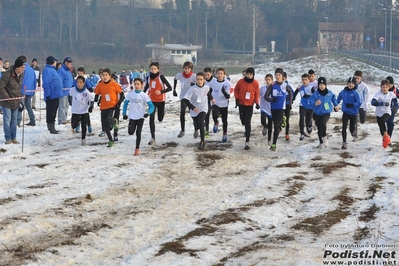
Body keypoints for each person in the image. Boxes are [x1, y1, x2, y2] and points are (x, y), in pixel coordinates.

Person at [181, 72, 215, 150]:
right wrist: (193, 108)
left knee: (201, 122)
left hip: (203, 108)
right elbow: (186, 100)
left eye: (201, 79)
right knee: (197, 125)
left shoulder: (207, 87)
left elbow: (208, 93)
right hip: (194, 109)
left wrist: (212, 99)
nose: (199, 81)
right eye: (198, 79)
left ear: (204, 80)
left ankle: (202, 142)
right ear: (195, 80)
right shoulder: (192, 89)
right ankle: (197, 128)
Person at [122, 78, 154, 156]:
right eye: (135, 84)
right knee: (130, 132)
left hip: (140, 117)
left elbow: (152, 106)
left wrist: (148, 113)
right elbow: (125, 104)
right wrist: (124, 114)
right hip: (132, 116)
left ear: (142, 85)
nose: (136, 86)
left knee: (138, 133)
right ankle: (136, 147)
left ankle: (137, 149)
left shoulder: (144, 95)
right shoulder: (130, 94)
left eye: (138, 84)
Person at [143, 62, 172, 145]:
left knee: (160, 119)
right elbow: (147, 86)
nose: (153, 70)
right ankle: (153, 138)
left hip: (161, 101)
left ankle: (162, 113)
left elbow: (170, 88)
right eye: (151, 69)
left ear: (158, 69)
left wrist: (161, 91)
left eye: (155, 69)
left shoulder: (161, 77)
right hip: (151, 100)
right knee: (151, 118)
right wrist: (143, 93)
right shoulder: (148, 77)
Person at [94, 68, 124, 147]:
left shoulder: (114, 84)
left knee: (108, 120)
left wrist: (118, 103)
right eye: (103, 75)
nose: (104, 77)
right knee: (105, 125)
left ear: (109, 76)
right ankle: (111, 140)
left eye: (106, 75)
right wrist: (96, 97)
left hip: (112, 106)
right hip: (103, 106)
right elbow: (97, 93)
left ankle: (114, 122)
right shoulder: (100, 84)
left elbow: (122, 94)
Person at [308, 77, 339, 150]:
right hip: (318, 113)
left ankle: (324, 137)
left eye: (323, 84)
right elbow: (310, 101)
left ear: (326, 85)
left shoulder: (329, 93)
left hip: (326, 112)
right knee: (319, 129)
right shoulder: (315, 94)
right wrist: (315, 103)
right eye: (320, 84)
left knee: (323, 123)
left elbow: (334, 98)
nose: (322, 86)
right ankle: (321, 142)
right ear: (318, 85)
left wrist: (336, 105)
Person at [264, 68, 290, 151]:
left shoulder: (285, 85)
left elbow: (290, 93)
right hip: (273, 108)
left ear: (282, 76)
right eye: (276, 75)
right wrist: (271, 100)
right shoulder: (272, 85)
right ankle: (283, 120)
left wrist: (290, 103)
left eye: (279, 75)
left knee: (275, 126)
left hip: (281, 108)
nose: (278, 76)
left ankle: (274, 144)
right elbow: (265, 96)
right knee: (276, 125)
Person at [234, 67, 260, 150]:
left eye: (251, 74)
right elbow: (236, 90)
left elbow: (256, 93)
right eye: (248, 74)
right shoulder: (241, 82)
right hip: (241, 103)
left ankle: (247, 142)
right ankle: (245, 126)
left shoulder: (255, 83)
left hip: (250, 105)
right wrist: (237, 99)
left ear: (253, 75)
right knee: (243, 120)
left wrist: (257, 102)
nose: (249, 76)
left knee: (247, 121)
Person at [0, 58, 25, 144]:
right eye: (22, 67)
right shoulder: (7, 74)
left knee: (14, 120)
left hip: (16, 102)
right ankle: (8, 138)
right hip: (6, 102)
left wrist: (20, 98)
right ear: (17, 67)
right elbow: (1, 87)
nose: (23, 69)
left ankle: (13, 137)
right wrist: (7, 98)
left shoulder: (21, 75)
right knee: (7, 120)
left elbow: (19, 88)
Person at [173, 61, 197, 138]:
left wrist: (194, 86)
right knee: (182, 112)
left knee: (193, 114)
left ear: (191, 69)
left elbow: (200, 84)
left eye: (188, 69)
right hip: (183, 97)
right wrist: (174, 90)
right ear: (183, 68)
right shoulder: (179, 75)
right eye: (185, 68)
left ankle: (196, 129)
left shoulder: (194, 76)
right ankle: (182, 130)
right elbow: (175, 79)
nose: (187, 70)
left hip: (191, 97)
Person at [371, 79, 397, 148]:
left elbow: (395, 100)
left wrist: (395, 106)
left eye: (386, 87)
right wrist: (381, 103)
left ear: (389, 87)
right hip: (379, 113)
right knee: (381, 126)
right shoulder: (378, 94)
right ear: (381, 87)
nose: (385, 89)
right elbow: (373, 102)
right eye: (383, 87)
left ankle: (386, 137)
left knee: (383, 121)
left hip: (387, 112)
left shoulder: (391, 94)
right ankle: (385, 139)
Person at [336, 77, 361, 149]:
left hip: (354, 113)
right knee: (344, 127)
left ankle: (354, 133)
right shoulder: (343, 92)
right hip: (346, 112)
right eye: (349, 83)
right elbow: (338, 98)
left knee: (351, 129)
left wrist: (353, 105)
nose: (350, 84)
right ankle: (344, 143)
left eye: (352, 83)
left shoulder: (355, 93)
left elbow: (359, 102)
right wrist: (336, 105)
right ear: (347, 83)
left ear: (354, 84)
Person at [70, 76, 94, 146]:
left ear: (84, 83)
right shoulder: (73, 90)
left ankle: (83, 139)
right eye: (77, 82)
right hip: (75, 110)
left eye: (81, 82)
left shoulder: (86, 92)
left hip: (84, 111)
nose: (79, 84)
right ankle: (77, 122)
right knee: (74, 125)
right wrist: (69, 101)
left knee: (84, 126)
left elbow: (91, 100)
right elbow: (69, 95)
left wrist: (91, 107)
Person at [42, 56, 63, 134]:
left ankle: (52, 127)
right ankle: (51, 127)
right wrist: (48, 94)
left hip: (55, 95)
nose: (56, 63)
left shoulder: (52, 70)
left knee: (54, 112)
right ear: (51, 62)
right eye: (55, 61)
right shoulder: (48, 71)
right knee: (51, 112)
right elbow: (46, 83)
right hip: (51, 95)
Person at [210, 67, 231, 142]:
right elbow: (208, 90)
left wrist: (224, 92)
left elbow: (228, 96)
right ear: (216, 74)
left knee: (224, 120)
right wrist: (211, 98)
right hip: (215, 102)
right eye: (218, 73)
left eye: (221, 73)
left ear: (224, 75)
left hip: (224, 104)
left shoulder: (227, 83)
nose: (219, 75)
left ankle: (224, 134)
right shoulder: (213, 82)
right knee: (214, 115)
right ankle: (216, 122)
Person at [293, 73, 315, 140]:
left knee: (308, 120)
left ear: (309, 80)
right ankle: (302, 133)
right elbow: (295, 92)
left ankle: (309, 126)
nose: (304, 81)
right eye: (303, 80)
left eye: (306, 80)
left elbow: (315, 95)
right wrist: (292, 99)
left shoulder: (311, 87)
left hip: (310, 106)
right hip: (302, 105)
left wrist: (308, 96)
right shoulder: (300, 87)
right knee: (301, 118)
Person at [16, 56, 37, 127]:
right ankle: (32, 120)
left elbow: (20, 80)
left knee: (20, 106)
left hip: (22, 90)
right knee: (28, 106)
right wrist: (33, 90)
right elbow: (35, 80)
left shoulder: (22, 69)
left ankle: (18, 121)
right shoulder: (31, 69)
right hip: (30, 90)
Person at [73, 67, 94, 133]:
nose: (79, 75)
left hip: (85, 100)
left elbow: (91, 88)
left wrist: (88, 89)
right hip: (77, 100)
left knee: (85, 113)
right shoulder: (75, 81)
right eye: (78, 73)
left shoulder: (86, 81)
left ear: (84, 74)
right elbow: (72, 87)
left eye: (81, 74)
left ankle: (89, 124)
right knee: (77, 113)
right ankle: (78, 125)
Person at [57, 57, 74, 125]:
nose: (69, 64)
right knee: (62, 106)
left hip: (68, 92)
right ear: (64, 62)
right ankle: (61, 120)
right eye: (67, 62)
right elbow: (59, 81)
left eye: (70, 63)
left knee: (66, 106)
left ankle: (64, 118)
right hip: (62, 92)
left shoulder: (69, 71)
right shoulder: (61, 70)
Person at [354, 70, 370, 137]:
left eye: (358, 78)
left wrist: (366, 103)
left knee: (362, 121)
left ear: (361, 78)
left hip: (362, 105)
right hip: (354, 105)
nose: (356, 80)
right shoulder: (352, 84)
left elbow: (368, 94)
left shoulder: (364, 86)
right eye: (355, 78)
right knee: (355, 120)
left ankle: (361, 119)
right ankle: (355, 134)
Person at [259, 73, 273, 145]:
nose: (267, 81)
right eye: (266, 79)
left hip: (271, 109)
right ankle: (265, 125)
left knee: (270, 125)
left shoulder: (274, 89)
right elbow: (258, 95)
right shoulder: (262, 88)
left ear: (272, 80)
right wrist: (256, 103)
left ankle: (269, 139)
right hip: (263, 107)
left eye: (269, 80)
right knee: (263, 120)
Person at [282, 71, 294, 141]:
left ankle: (287, 133)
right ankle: (280, 128)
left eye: (283, 79)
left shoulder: (288, 85)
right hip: (280, 105)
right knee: (280, 118)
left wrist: (290, 103)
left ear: (286, 78)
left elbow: (292, 94)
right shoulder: (277, 85)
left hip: (287, 104)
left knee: (287, 119)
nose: (282, 80)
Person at [203, 67, 214, 138]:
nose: (206, 77)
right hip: (203, 100)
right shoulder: (203, 80)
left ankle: (206, 130)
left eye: (208, 75)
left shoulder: (214, 81)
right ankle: (204, 128)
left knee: (207, 116)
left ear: (211, 74)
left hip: (211, 101)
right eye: (205, 75)